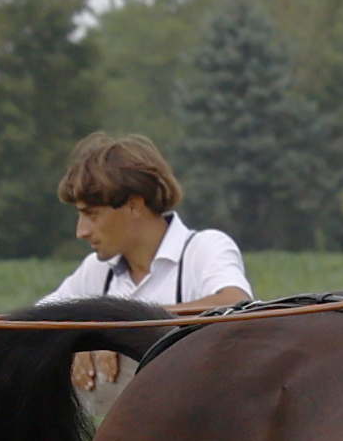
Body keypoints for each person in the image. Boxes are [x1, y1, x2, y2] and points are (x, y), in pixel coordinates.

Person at [52, 133, 251, 400]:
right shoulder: (95, 271)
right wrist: (77, 339)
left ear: (134, 206)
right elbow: (38, 324)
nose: (81, 231)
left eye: (91, 214)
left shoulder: (204, 248)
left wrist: (119, 326)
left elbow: (235, 304)